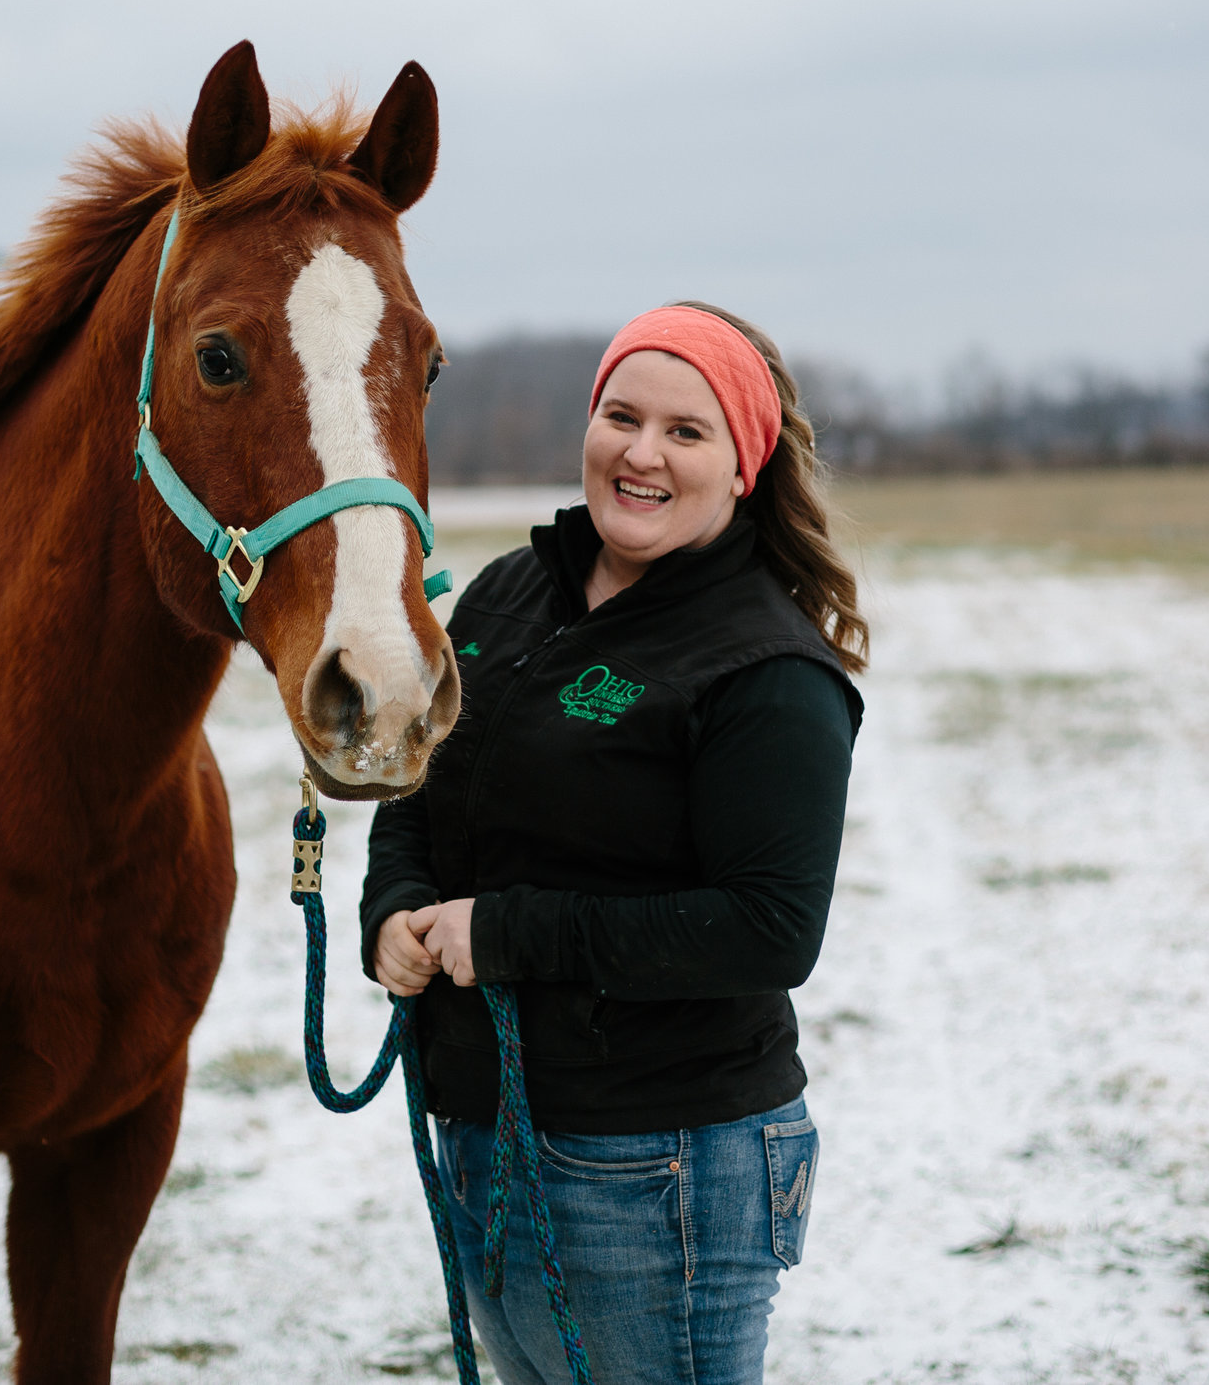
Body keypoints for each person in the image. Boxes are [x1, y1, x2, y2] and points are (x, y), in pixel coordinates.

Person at [361, 302, 868, 1385]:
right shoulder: (511, 590)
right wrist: (391, 907)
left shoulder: (765, 667)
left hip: (660, 1160)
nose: (642, 452)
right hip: (492, 1129)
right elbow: (420, 782)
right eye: (620, 415)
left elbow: (767, 929)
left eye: (687, 431)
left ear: (743, 465)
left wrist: (506, 932)